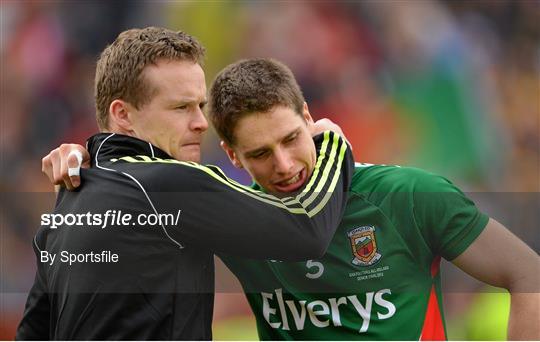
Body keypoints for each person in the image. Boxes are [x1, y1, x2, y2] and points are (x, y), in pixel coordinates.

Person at [46, 58, 539, 340]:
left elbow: (529, 275)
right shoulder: (235, 218)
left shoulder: (410, 196)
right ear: (233, 158)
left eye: (290, 139)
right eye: (260, 153)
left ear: (309, 117)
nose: (283, 166)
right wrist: (88, 161)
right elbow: (139, 193)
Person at [16, 28, 354, 340]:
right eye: (181, 108)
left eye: (201, 106)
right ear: (123, 114)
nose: (202, 123)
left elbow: (32, 333)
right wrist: (330, 144)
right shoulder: (166, 183)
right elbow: (306, 228)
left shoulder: (68, 204)